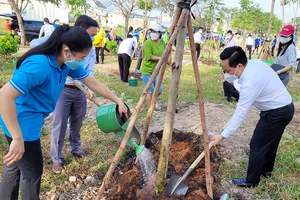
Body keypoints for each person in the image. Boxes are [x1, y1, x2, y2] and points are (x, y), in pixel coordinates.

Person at [0, 25, 128, 200]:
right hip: (21, 120)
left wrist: (118, 100)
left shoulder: (64, 63)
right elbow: (4, 96)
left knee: (14, 164)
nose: (82, 61)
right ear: (67, 50)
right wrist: (17, 137)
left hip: (28, 118)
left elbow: (92, 82)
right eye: (81, 57)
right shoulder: (40, 65)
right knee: (32, 174)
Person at [211, 46, 294, 188]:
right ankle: (267, 170)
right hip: (286, 107)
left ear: (239, 66)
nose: (226, 73)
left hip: (276, 112)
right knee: (271, 141)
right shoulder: (254, 63)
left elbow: (240, 114)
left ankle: (252, 180)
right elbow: (241, 87)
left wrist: (222, 135)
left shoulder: (250, 82)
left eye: (228, 71)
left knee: (257, 144)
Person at [141, 24, 168, 108]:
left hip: (157, 70)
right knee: (150, 90)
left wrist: (168, 61)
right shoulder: (148, 43)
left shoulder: (162, 43)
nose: (152, 33)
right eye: (151, 31)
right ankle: (150, 108)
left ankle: (153, 102)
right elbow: (149, 56)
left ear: (159, 33)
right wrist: (162, 58)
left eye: (155, 31)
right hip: (147, 70)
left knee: (159, 89)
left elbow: (165, 53)